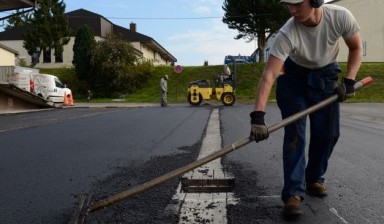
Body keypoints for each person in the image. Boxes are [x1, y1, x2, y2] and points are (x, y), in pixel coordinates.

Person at [249, 0, 362, 217]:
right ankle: (292, 193)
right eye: (288, 5)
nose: (292, 10)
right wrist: (257, 116)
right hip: (293, 79)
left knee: (328, 134)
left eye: (298, 4)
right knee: (295, 135)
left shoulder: (340, 17)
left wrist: (349, 81)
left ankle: (314, 178)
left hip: (326, 76)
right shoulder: (287, 32)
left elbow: (356, 47)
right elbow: (269, 75)